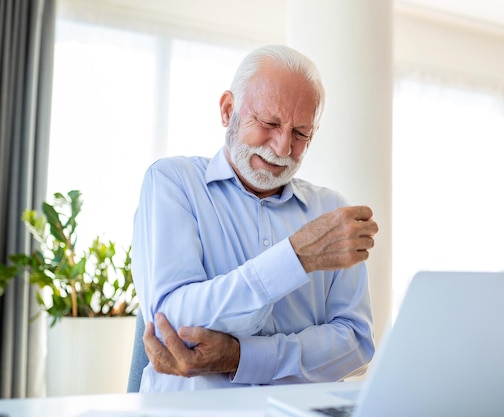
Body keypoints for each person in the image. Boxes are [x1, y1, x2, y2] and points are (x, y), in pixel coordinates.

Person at [131, 44, 379, 392]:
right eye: (269, 123)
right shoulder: (173, 181)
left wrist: (241, 357)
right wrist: (297, 257)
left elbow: (355, 345)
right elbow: (173, 324)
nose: (281, 148)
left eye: (300, 133)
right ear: (228, 109)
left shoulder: (330, 210)